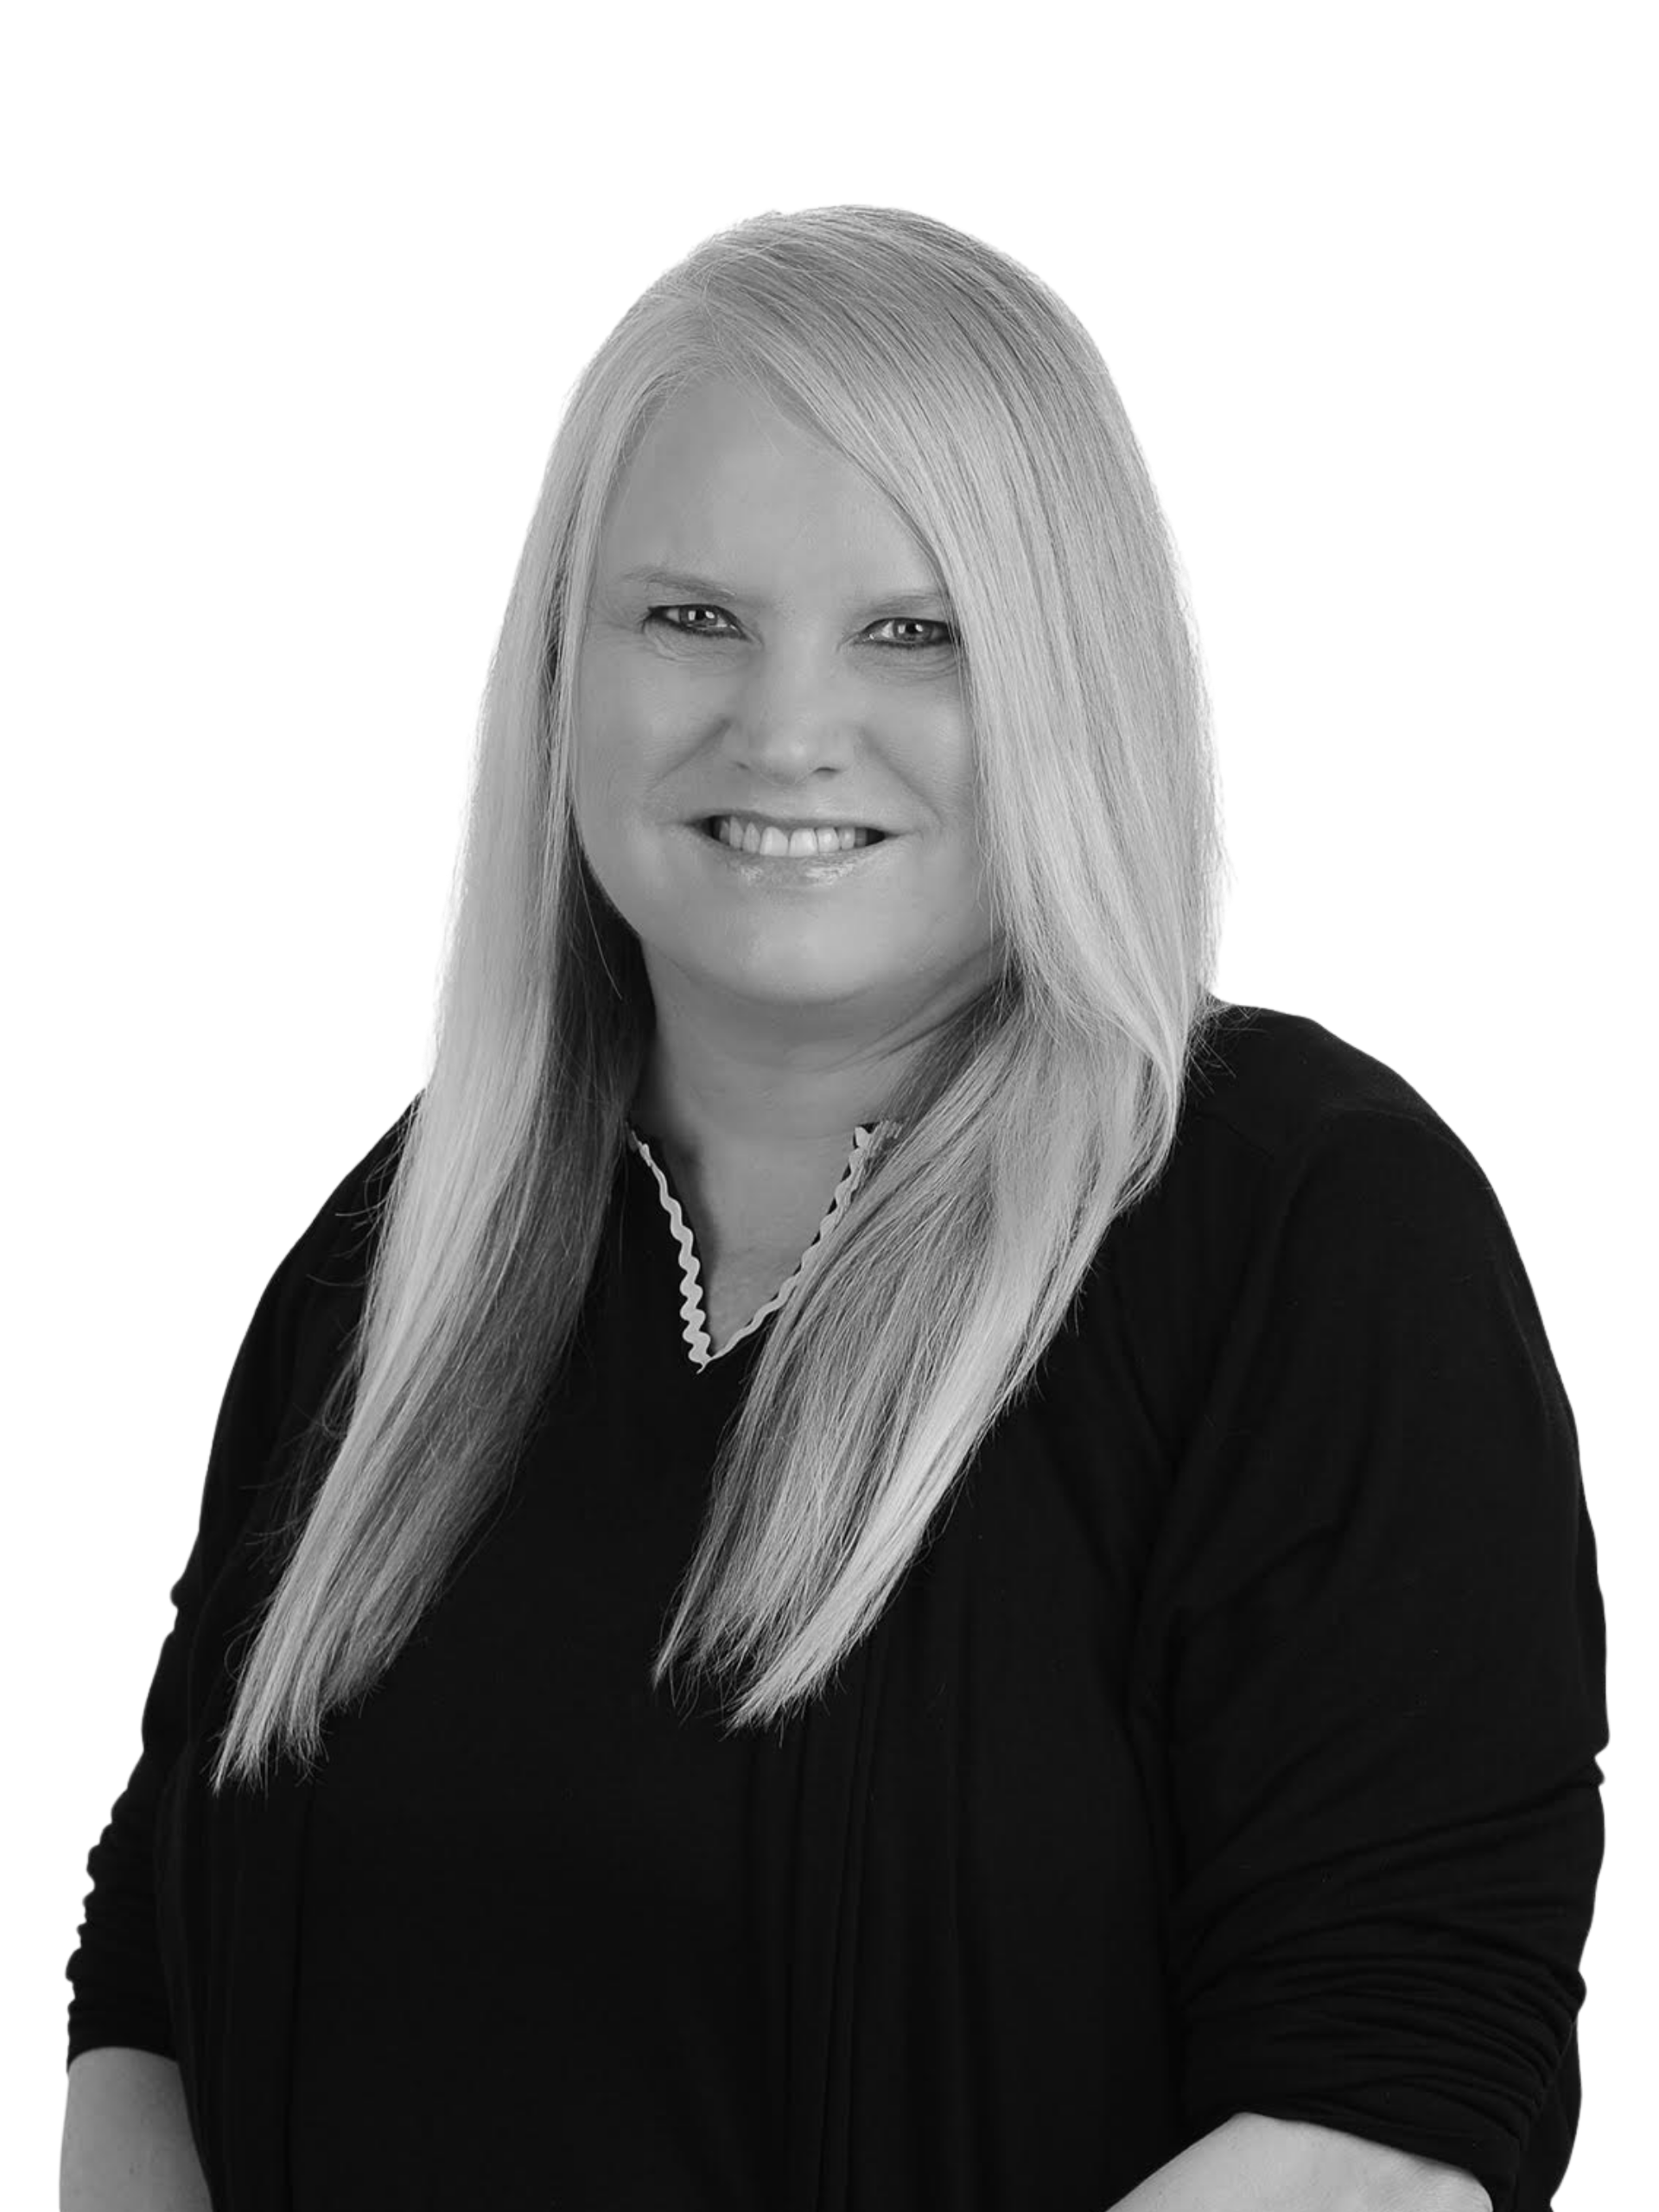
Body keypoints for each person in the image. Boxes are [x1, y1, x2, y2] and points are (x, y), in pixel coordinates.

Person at [61, 206, 1603, 2211]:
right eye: (689, 617)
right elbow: (148, 1987)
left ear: (1073, 676)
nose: (784, 729)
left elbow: (1387, 2103)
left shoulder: (1301, 1221)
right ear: (560, 670)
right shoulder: (394, 1259)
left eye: (917, 629)